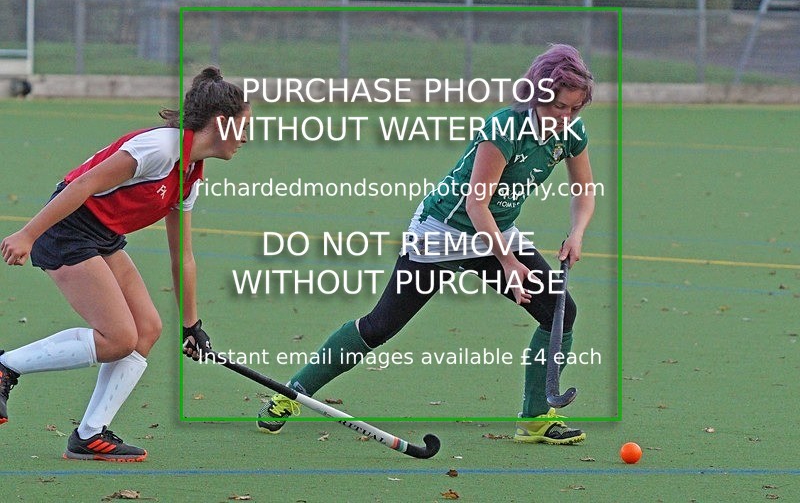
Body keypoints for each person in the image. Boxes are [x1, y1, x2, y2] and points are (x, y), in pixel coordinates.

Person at [256, 44, 596, 445]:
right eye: (559, 106)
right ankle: (293, 392)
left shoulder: (569, 133)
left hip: (495, 231)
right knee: (380, 326)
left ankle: (536, 417)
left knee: (559, 309)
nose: (566, 118)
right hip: (443, 232)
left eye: (575, 109)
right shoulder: (505, 129)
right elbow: (475, 203)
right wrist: (507, 262)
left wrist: (577, 232)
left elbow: (583, 191)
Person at [0, 67, 249, 461]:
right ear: (221, 124)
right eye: (243, 126)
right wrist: (28, 234)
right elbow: (82, 185)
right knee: (117, 337)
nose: (247, 137)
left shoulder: (190, 174)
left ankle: (89, 434)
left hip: (102, 236)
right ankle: (5, 367)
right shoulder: (160, 149)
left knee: (146, 329)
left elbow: (181, 255)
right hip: (69, 227)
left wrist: (192, 325)